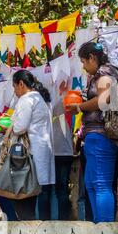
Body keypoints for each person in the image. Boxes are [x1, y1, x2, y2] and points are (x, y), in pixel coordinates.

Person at [66, 42, 118, 223]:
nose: (83, 66)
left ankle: (105, 229)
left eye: (84, 61)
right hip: (93, 136)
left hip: (101, 136)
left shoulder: (104, 74)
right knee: (91, 185)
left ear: (92, 58)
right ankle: (99, 228)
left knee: (101, 184)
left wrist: (80, 106)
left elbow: (103, 100)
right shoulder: (99, 75)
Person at [11, 69, 55, 220]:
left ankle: (31, 228)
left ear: (21, 84)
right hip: (44, 149)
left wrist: (9, 127)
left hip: (32, 152)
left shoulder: (26, 99)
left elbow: (20, 127)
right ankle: (45, 226)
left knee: (31, 191)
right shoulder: (40, 99)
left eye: (14, 87)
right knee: (44, 190)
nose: (15, 91)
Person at [37, 85, 75, 220]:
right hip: (65, 152)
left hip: (49, 153)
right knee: (62, 190)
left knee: (45, 190)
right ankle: (63, 222)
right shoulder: (63, 100)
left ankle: (45, 223)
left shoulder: (39, 108)